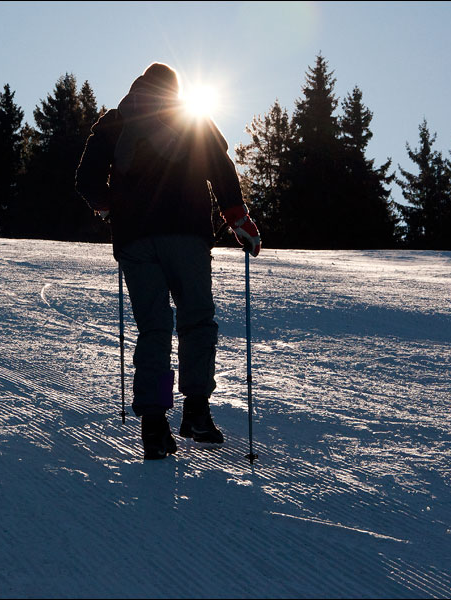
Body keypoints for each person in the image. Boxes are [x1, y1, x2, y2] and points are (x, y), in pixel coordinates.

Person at [75, 62, 261, 460]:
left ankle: (154, 425)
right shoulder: (192, 117)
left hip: (135, 241)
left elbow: (86, 180)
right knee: (195, 320)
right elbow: (221, 168)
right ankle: (196, 411)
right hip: (185, 233)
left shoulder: (116, 120)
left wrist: (111, 210)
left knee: (154, 329)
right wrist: (239, 221)